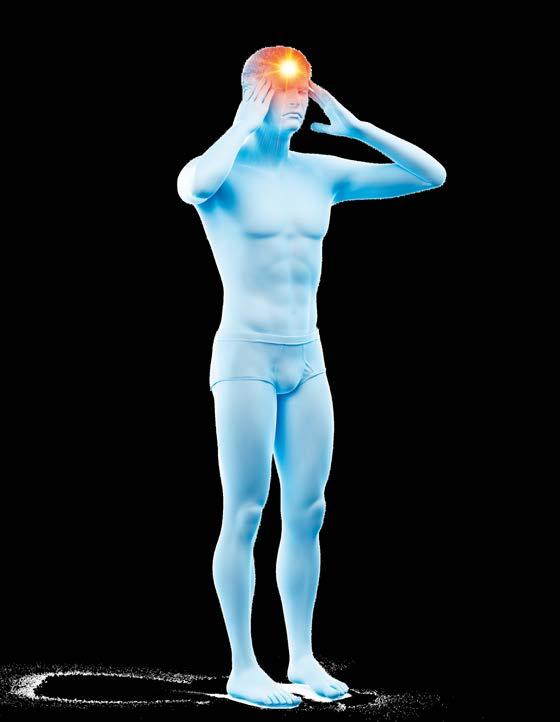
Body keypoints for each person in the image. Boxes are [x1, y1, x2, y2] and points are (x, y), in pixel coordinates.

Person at [177, 45, 446, 710]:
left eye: (302, 88)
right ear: (254, 93)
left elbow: (431, 175)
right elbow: (193, 186)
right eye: (281, 89)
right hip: (245, 358)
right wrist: (241, 124)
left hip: (306, 357)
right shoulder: (223, 170)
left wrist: (357, 129)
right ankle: (244, 667)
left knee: (308, 510)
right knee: (245, 511)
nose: (297, 100)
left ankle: (301, 656)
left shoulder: (318, 173)